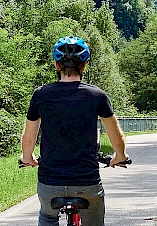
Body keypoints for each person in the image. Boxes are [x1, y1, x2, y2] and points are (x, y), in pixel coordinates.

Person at [20, 36, 129, 226]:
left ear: (56, 65)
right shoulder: (97, 96)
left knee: (47, 216)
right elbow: (116, 137)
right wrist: (119, 156)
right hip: (87, 183)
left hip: (50, 183)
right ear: (84, 66)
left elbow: (29, 140)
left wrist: (27, 158)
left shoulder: (41, 95)